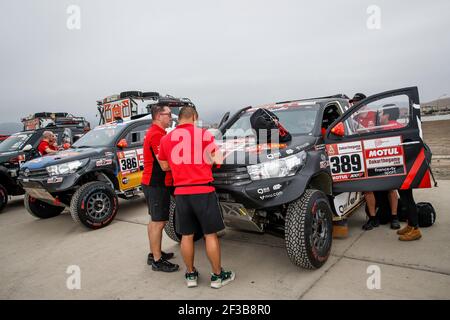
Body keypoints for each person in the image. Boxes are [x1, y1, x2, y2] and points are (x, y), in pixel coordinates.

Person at [158, 106, 235, 289]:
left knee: (186, 235)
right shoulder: (204, 135)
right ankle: (218, 276)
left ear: (180, 118)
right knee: (210, 235)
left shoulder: (167, 138)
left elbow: (164, 166)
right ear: (194, 117)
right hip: (203, 192)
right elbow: (218, 160)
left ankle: (190, 274)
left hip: (181, 193)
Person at [141, 105, 179, 273]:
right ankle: (157, 261)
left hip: (153, 183)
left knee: (155, 220)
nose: (171, 117)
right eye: (168, 114)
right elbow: (164, 165)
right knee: (159, 222)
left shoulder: (159, 133)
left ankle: (153, 253)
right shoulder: (156, 134)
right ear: (158, 116)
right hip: (157, 183)